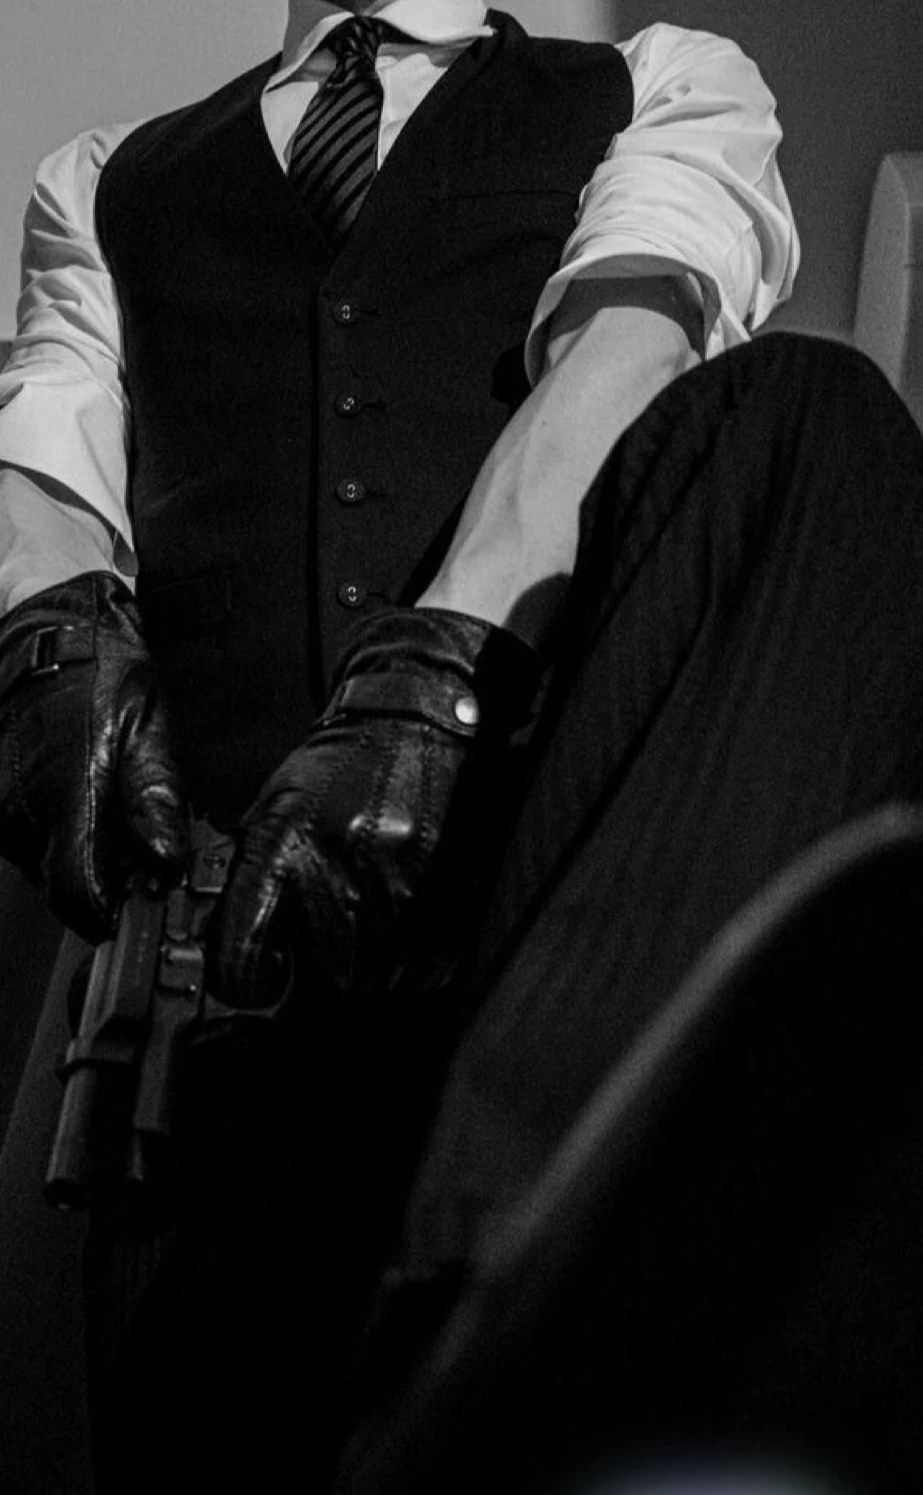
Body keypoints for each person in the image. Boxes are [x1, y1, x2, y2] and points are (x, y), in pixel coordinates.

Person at [1, 2, 923, 1491]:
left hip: (549, 895)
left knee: (813, 411)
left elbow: (628, 337)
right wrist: (46, 634)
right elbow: (46, 464)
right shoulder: (105, 177)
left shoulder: (658, 83)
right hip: (242, 987)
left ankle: (548, 1259)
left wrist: (434, 674)